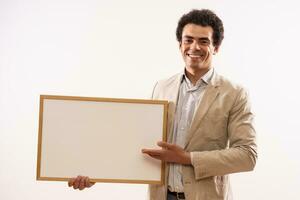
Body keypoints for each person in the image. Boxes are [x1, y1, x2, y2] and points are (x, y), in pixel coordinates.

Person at [68, 9, 257, 200]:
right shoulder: (162, 87)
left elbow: (247, 155)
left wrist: (188, 158)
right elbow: (141, 144)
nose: (194, 47)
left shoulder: (234, 94)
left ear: (216, 47)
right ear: (180, 44)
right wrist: (95, 172)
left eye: (203, 41)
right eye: (188, 40)